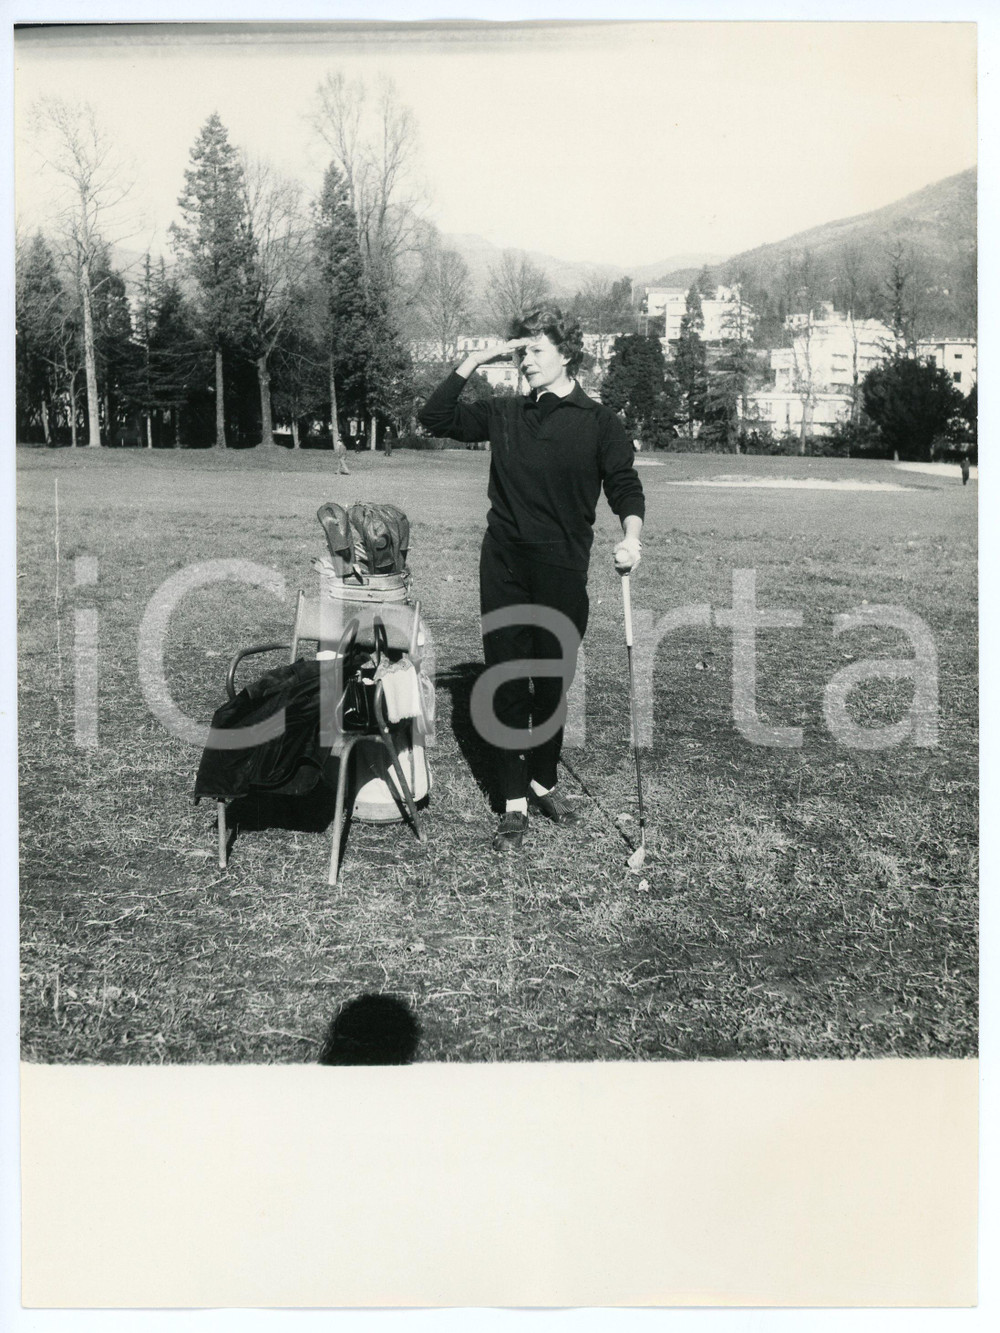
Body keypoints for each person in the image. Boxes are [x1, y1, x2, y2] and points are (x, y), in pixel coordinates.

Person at [418, 306, 645, 853]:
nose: (524, 361)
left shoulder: (598, 421)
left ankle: (543, 779)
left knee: (552, 681)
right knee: (505, 678)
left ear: (567, 354)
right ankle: (514, 801)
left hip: (563, 566)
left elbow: (623, 483)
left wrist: (632, 537)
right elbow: (435, 418)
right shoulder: (503, 414)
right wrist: (473, 359)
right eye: (519, 351)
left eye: (535, 350)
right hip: (504, 564)